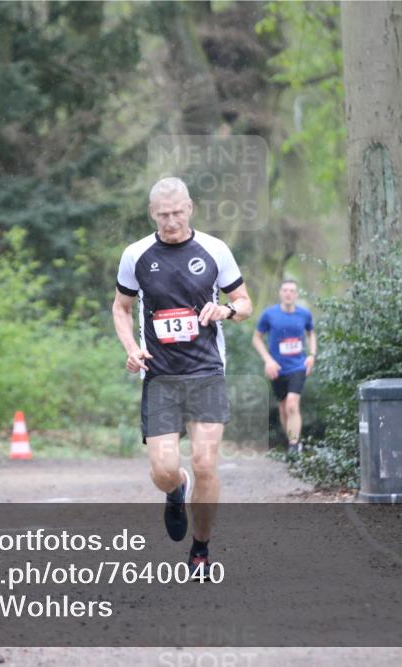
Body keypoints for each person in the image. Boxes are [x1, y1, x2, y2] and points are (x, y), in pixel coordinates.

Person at [112, 176, 252, 578]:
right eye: (162, 215)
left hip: (206, 372)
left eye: (176, 213)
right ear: (151, 214)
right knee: (163, 470)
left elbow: (244, 302)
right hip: (160, 377)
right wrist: (131, 349)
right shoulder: (136, 255)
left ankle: (201, 550)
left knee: (206, 463)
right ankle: (175, 490)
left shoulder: (215, 250)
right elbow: (121, 307)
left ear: (189, 208)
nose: (170, 221)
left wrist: (226, 310)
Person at [252, 279, 316, 457]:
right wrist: (268, 360)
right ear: (280, 293)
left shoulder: (304, 314)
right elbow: (256, 338)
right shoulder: (269, 314)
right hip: (277, 368)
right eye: (285, 290)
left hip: (298, 366)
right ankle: (292, 441)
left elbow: (311, 334)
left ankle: (294, 447)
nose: (288, 293)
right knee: (283, 407)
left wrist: (312, 355)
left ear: (296, 294)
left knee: (292, 404)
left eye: (292, 290)